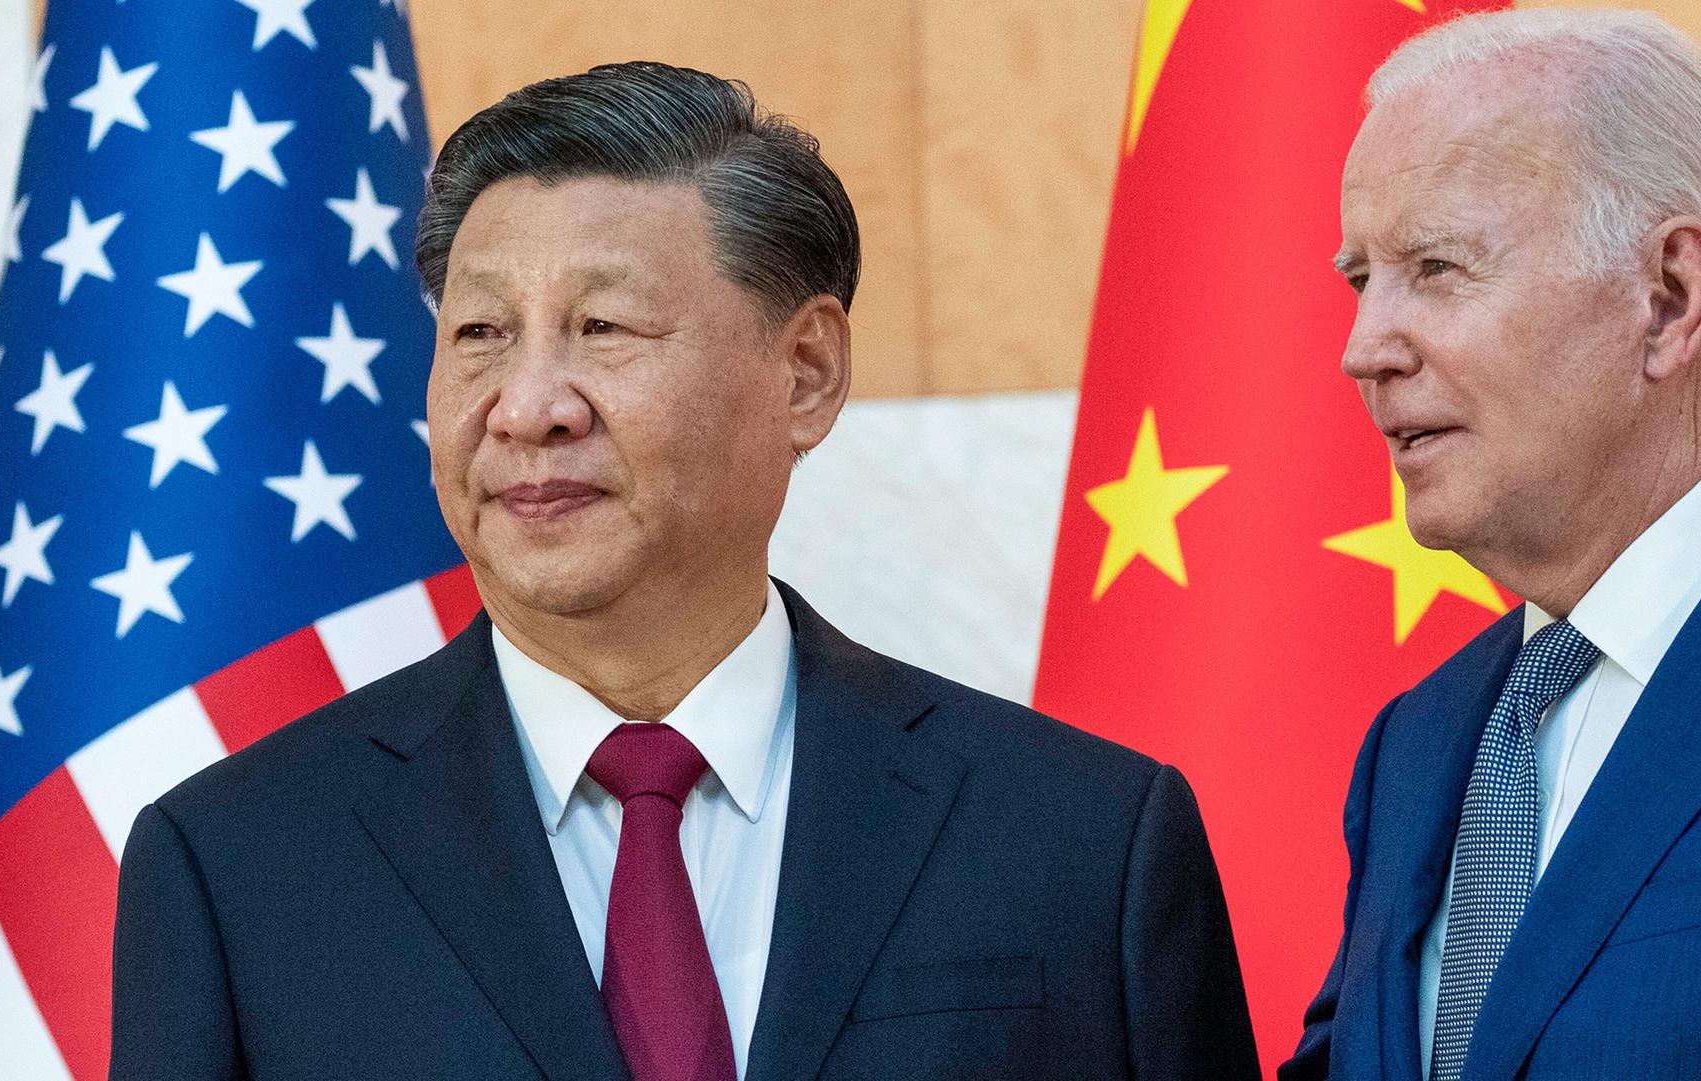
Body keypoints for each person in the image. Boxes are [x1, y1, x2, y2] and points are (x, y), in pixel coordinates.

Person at [108, 62, 1259, 1080]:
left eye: (603, 326)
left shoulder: (1081, 836)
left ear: (804, 374)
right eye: (480, 335)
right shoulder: (238, 868)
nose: (530, 406)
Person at [1282, 11, 1701, 1081]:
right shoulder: (1415, 743)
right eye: (1358, 278)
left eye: (1436, 266)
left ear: (1668, 297)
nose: (1363, 348)